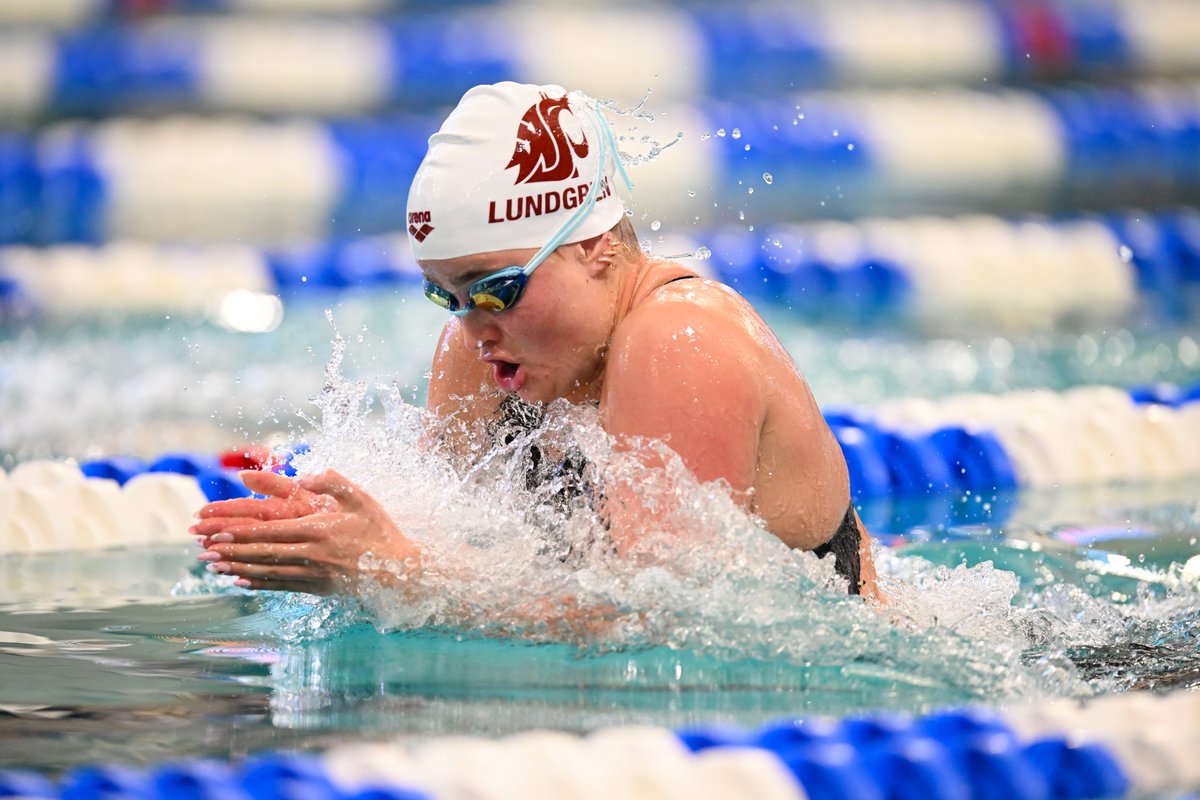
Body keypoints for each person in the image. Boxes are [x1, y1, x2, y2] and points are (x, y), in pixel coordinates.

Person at [192, 82, 882, 603]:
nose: (473, 327)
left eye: (498, 288)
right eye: (449, 294)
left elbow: (668, 625)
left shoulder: (680, 341)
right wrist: (343, 541)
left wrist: (397, 573)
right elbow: (467, 550)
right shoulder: (478, 351)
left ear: (595, 248)